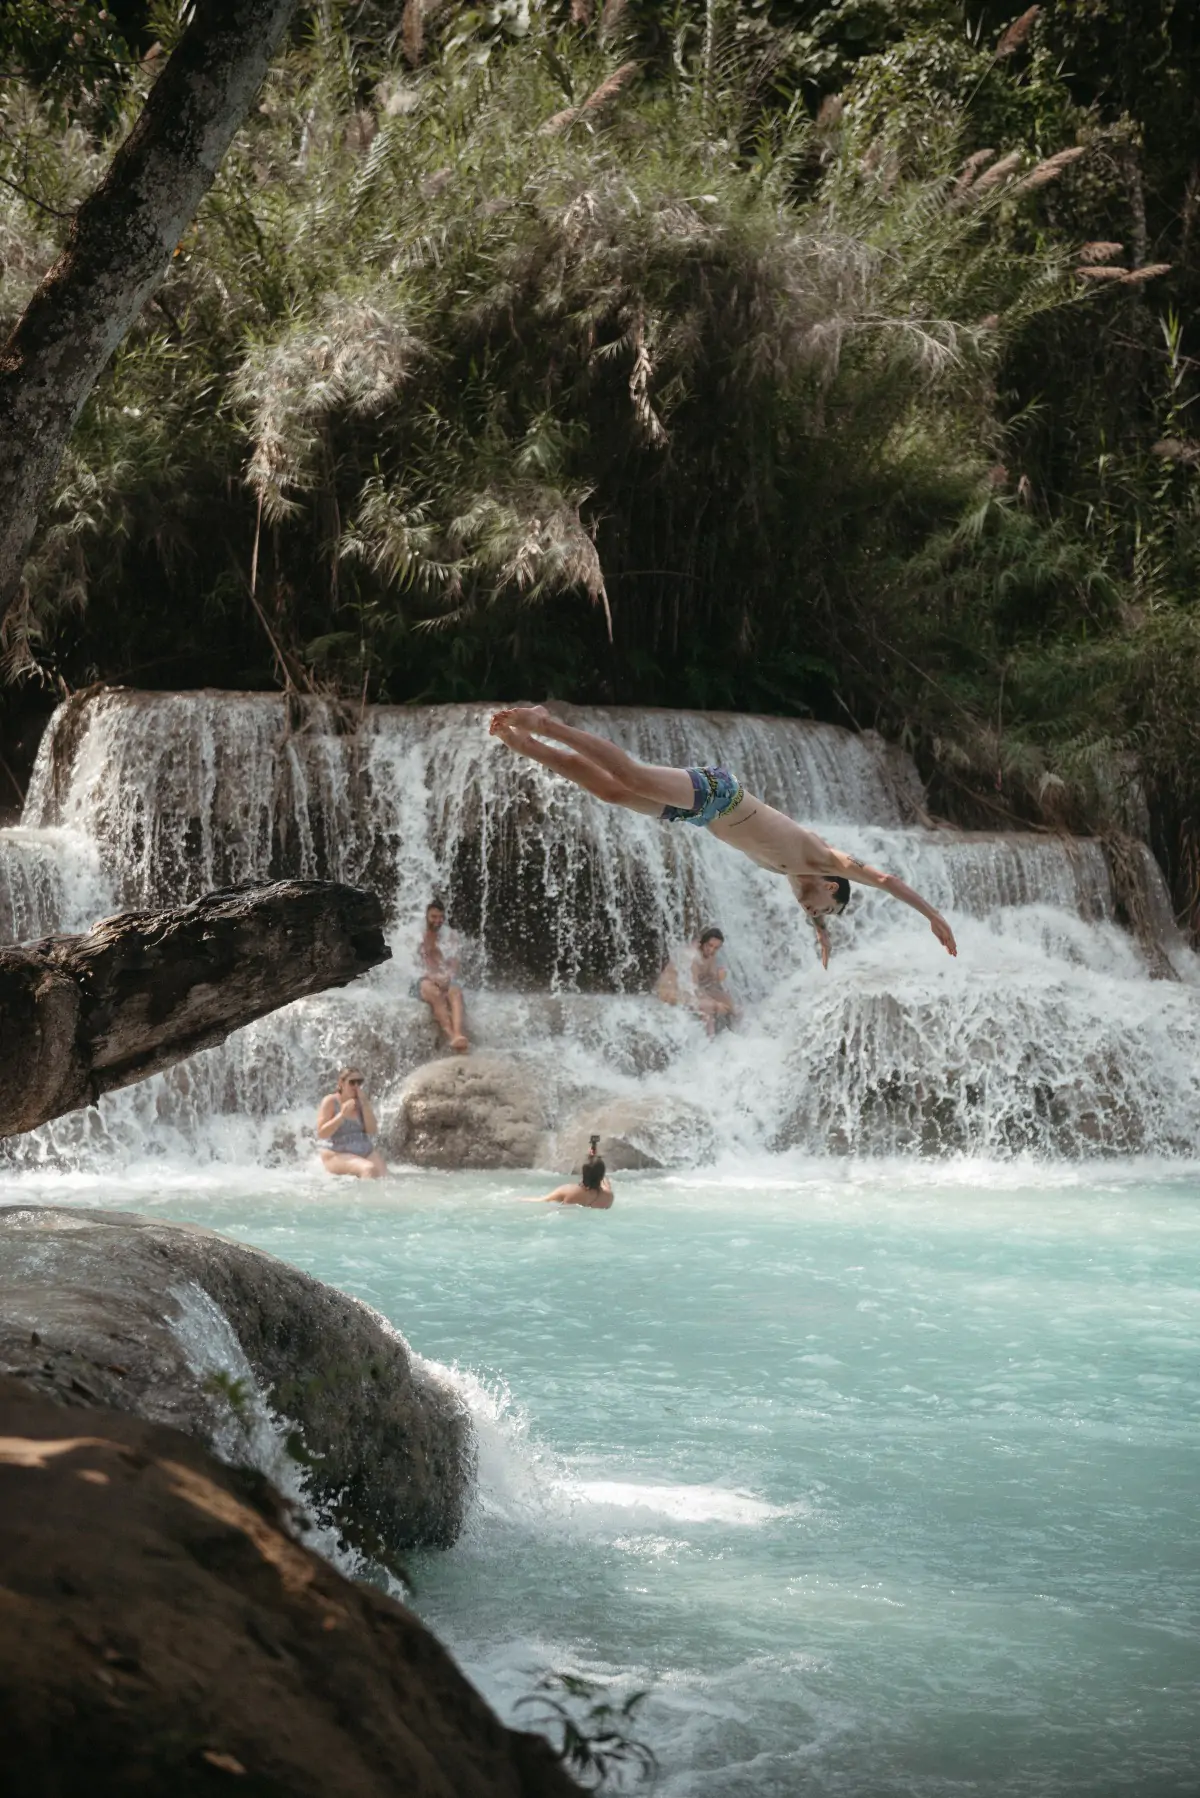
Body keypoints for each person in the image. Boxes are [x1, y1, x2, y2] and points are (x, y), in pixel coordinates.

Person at [489, 706, 957, 968]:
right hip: (721, 795)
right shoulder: (824, 860)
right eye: (824, 909)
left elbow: (815, 910)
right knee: (629, 775)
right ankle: (545, 723)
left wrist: (821, 936)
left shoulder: (795, 876)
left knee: (610, 792)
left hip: (699, 816)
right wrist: (932, 916)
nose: (812, 912)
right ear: (832, 885)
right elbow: (889, 880)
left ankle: (525, 745)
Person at [657, 926, 737, 1036]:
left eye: (716, 948)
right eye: (710, 945)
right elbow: (692, 990)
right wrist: (716, 1005)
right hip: (670, 992)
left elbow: (710, 980)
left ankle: (739, 1036)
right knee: (708, 1006)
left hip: (688, 989)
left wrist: (719, 976)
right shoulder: (692, 956)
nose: (712, 950)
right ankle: (710, 1041)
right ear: (702, 942)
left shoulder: (709, 954)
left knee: (731, 1003)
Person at [416, 898, 469, 1052]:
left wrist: (447, 976)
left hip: (443, 978)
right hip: (422, 980)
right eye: (433, 917)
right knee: (432, 991)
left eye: (440, 917)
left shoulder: (449, 936)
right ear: (426, 916)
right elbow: (410, 966)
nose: (437, 921)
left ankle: (459, 1034)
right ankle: (451, 1035)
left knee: (455, 991)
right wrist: (431, 977)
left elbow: (454, 964)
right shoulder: (416, 936)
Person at [316, 1067, 386, 1179]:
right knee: (368, 1169)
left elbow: (372, 1130)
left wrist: (365, 1105)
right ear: (341, 1083)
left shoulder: (361, 1102)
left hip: (364, 1149)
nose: (356, 1087)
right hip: (336, 1153)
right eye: (352, 1082)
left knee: (383, 1176)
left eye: (359, 1082)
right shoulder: (330, 1101)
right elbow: (322, 1133)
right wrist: (342, 1116)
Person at [522, 1154, 614, 1209]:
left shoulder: (569, 1191)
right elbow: (605, 1184)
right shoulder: (608, 1197)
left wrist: (520, 1199)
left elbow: (542, 1201)